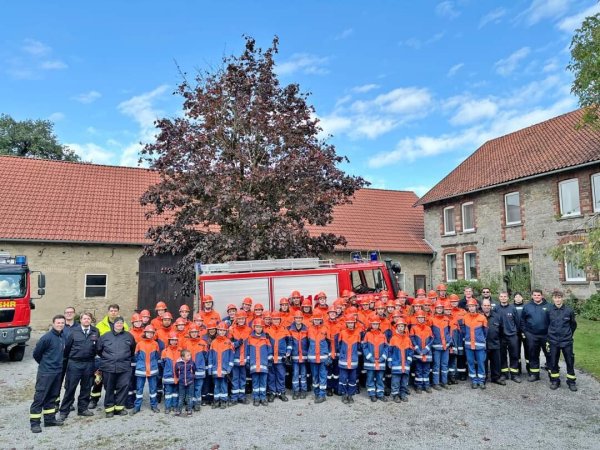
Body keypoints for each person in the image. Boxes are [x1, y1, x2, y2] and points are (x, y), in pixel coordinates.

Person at [57, 312, 98, 422]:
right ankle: (64, 411)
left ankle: (83, 409)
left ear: (91, 320)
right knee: (70, 388)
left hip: (89, 363)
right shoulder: (73, 332)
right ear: (80, 320)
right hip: (75, 363)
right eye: (84, 318)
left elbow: (97, 347)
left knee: (86, 387)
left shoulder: (95, 331)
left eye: (88, 319)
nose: (86, 320)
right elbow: (67, 348)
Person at [29, 315, 66, 433]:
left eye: (62, 323)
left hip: (57, 372)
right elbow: (36, 354)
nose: (60, 324)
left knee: (52, 397)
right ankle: (35, 423)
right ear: (53, 323)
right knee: (40, 397)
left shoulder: (62, 337)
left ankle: (50, 420)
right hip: (46, 373)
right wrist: (45, 364)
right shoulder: (47, 338)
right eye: (58, 323)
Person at [96, 316, 136, 417]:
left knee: (123, 387)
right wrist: (108, 358)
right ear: (113, 324)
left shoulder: (129, 336)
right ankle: (109, 409)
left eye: (121, 323)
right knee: (109, 388)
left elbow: (132, 350)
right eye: (117, 323)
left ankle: (119, 408)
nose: (119, 325)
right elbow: (99, 349)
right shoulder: (105, 336)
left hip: (124, 367)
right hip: (109, 366)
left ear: (123, 324)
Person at [547, 290, 577, 391]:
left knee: (569, 361)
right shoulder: (549, 310)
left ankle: (571, 381)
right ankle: (555, 381)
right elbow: (546, 324)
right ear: (553, 299)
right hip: (553, 340)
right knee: (553, 362)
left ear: (562, 298)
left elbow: (573, 325)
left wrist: (568, 335)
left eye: (559, 297)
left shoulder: (569, 310)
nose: (557, 299)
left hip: (566, 341)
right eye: (555, 297)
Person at [520, 289, 550, 382]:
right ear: (532, 296)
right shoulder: (527, 307)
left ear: (542, 296)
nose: (537, 297)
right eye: (535, 295)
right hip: (532, 336)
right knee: (533, 355)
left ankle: (553, 375)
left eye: (538, 295)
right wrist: (526, 333)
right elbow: (522, 321)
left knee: (550, 355)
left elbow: (553, 321)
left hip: (546, 336)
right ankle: (534, 374)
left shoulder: (549, 306)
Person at [130, 325, 160, 415]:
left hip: (152, 369)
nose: (150, 335)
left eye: (151, 333)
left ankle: (154, 405)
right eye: (148, 333)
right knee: (139, 389)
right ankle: (137, 406)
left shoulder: (155, 344)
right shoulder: (139, 344)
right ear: (145, 333)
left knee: (153, 389)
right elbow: (136, 356)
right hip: (141, 369)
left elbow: (157, 356)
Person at [246, 318, 273, 406]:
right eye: (257, 327)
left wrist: (269, 361)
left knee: (263, 382)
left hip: (264, 365)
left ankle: (263, 397)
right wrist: (248, 362)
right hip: (254, 365)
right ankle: (256, 398)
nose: (258, 328)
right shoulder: (250, 338)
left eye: (260, 327)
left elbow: (270, 351)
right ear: (254, 327)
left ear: (262, 328)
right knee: (255, 382)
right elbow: (248, 352)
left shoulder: (266, 339)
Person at [462, 299, 488, 389]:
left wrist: (481, 339)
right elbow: (463, 331)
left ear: (476, 307)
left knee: (481, 362)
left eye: (473, 306)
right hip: (469, 345)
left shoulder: (482, 317)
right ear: (468, 307)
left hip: (479, 345)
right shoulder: (465, 317)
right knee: (471, 363)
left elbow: (485, 332)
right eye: (470, 306)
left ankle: (481, 381)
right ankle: (474, 380)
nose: (471, 308)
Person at [496, 291, 522, 383]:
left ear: (508, 298)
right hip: (501, 336)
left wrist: (516, 333)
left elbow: (517, 322)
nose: (503, 298)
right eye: (501, 296)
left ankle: (514, 374)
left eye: (505, 296)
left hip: (512, 336)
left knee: (514, 355)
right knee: (502, 356)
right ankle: (504, 374)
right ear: (499, 298)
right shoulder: (496, 309)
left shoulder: (513, 308)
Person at [208, 321, 234, 409]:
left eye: (223, 330)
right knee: (216, 385)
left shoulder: (229, 342)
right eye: (220, 330)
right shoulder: (213, 342)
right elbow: (210, 356)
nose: (222, 332)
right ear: (217, 331)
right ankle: (216, 401)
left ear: (226, 331)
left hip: (224, 369)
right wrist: (210, 369)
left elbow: (231, 356)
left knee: (223, 385)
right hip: (215, 368)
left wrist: (229, 368)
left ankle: (223, 401)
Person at [362, 314, 389, 402]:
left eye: (377, 324)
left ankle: (380, 394)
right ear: (371, 325)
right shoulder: (367, 334)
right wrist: (370, 357)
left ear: (379, 324)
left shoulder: (383, 335)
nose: (375, 325)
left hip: (380, 361)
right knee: (370, 377)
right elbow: (364, 347)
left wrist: (383, 357)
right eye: (373, 324)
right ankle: (372, 394)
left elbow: (386, 347)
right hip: (370, 361)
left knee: (380, 378)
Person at [388, 318, 413, 403]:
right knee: (395, 381)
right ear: (396, 327)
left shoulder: (408, 339)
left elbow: (410, 351)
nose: (401, 328)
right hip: (396, 364)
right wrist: (390, 362)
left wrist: (408, 361)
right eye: (399, 326)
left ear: (405, 327)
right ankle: (395, 395)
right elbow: (390, 352)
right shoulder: (393, 338)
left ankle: (402, 394)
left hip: (405, 364)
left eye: (402, 326)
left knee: (404, 381)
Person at [307, 311, 330, 403]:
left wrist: (329, 355)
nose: (317, 321)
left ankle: (322, 395)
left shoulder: (325, 329)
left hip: (323, 358)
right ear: (313, 320)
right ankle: (316, 393)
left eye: (318, 319)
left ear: (321, 320)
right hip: (313, 358)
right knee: (315, 376)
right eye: (315, 319)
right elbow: (308, 343)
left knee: (323, 376)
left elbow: (329, 342)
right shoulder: (309, 329)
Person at [183, 325, 207, 411]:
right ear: (189, 333)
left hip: (200, 370)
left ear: (198, 333)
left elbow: (206, 356)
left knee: (198, 388)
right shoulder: (186, 343)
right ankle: (190, 404)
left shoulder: (203, 343)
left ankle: (197, 404)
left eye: (195, 332)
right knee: (190, 388)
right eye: (192, 332)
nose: (194, 334)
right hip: (189, 370)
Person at [267, 312, 291, 402]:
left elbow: (289, 342)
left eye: (277, 319)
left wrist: (288, 352)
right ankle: (272, 392)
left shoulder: (285, 330)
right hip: (271, 358)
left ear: (280, 320)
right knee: (271, 376)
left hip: (281, 358)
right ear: (272, 320)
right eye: (274, 319)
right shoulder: (267, 330)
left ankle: (281, 392)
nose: (276, 321)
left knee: (281, 375)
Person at [337, 314, 361, 404]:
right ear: (346, 324)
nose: (351, 324)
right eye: (349, 323)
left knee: (352, 379)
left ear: (354, 324)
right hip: (344, 360)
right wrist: (343, 354)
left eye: (352, 323)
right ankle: (344, 394)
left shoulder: (357, 333)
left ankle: (350, 394)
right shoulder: (342, 333)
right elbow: (338, 345)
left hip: (353, 360)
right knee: (343, 378)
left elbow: (359, 346)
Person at [410, 311, 433, 393]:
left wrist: (426, 349)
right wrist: (418, 350)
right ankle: (418, 386)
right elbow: (412, 339)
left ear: (424, 318)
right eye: (419, 318)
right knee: (418, 370)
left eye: (422, 318)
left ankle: (426, 385)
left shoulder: (428, 328)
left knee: (427, 370)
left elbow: (431, 339)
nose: (420, 319)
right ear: (416, 318)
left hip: (427, 353)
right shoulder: (413, 328)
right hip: (418, 353)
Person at [430, 301, 452, 390]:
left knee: (444, 365)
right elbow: (429, 333)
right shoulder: (431, 319)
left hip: (445, 346)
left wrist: (449, 341)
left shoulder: (447, 319)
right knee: (436, 365)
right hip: (436, 346)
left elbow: (450, 331)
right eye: (438, 308)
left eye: (441, 308)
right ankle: (435, 383)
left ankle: (444, 382)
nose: (439, 309)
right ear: (435, 309)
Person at [482, 299, 504, 386]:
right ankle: (483, 378)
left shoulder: (497, 316)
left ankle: (496, 378)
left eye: (488, 305)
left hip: (495, 343)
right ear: (482, 306)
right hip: (483, 345)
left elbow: (501, 330)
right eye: (485, 305)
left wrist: (499, 341)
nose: (486, 307)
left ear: (490, 306)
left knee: (496, 362)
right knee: (483, 362)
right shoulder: (479, 316)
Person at [288, 311, 309, 399]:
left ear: (302, 319)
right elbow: (289, 342)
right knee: (295, 374)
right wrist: (288, 353)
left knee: (303, 374)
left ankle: (303, 391)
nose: (298, 320)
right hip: (295, 357)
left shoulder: (306, 329)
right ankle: (296, 391)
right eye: (297, 318)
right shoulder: (290, 330)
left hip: (304, 357)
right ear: (294, 319)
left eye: (300, 318)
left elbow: (309, 343)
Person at [161, 332, 181, 414]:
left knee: (176, 392)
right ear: (169, 341)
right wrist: (168, 370)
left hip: (177, 375)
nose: (173, 341)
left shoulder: (180, 350)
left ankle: (175, 406)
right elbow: (162, 363)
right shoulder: (165, 351)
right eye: (172, 340)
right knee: (168, 392)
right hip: (168, 375)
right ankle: (168, 407)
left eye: (175, 340)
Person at [175, 349, 196, 416]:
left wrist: (191, 377)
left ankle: (189, 410)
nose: (189, 357)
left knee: (190, 397)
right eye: (188, 355)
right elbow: (176, 372)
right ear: (183, 357)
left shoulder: (192, 363)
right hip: (181, 383)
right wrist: (180, 378)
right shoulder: (178, 364)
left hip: (190, 382)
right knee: (181, 397)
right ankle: (179, 411)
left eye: (190, 355)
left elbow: (194, 370)